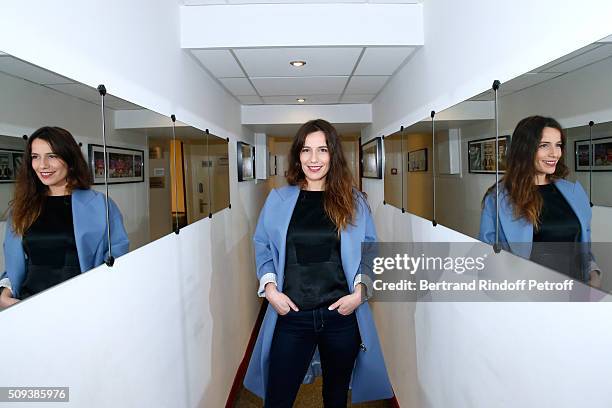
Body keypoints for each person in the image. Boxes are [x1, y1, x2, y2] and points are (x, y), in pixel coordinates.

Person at [244, 119, 393, 407]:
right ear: (297, 156)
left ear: (333, 155)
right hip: (291, 315)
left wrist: (360, 293)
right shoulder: (278, 200)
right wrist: (270, 289)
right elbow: (262, 245)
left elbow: (370, 250)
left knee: (336, 397)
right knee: (278, 398)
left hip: (340, 316)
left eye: (322, 150)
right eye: (306, 150)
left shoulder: (354, 202)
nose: (314, 159)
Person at [0, 126, 129, 307]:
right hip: (30, 305)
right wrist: (4, 293)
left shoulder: (100, 205)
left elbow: (118, 258)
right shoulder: (22, 207)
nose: (42, 165)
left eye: (52, 156)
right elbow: (16, 266)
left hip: (82, 303)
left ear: (70, 159)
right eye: (35, 157)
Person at [479, 116, 601, 286]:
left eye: (558, 145)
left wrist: (593, 273)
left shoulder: (574, 192)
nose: (554, 153)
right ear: (524, 149)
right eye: (544, 145)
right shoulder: (499, 198)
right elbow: (488, 256)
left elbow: (583, 245)